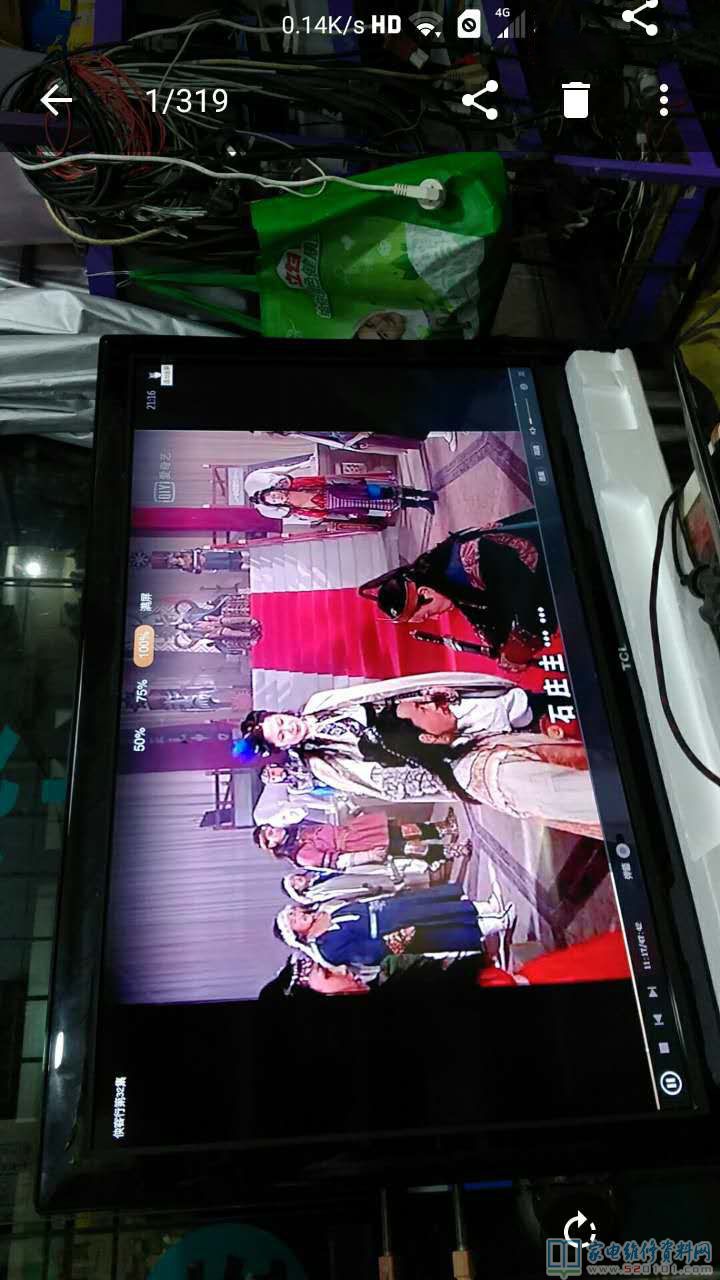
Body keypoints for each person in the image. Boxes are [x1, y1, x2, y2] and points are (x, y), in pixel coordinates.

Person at [239, 671, 601, 837]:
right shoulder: (322, 764)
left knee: (506, 709)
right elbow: (378, 781)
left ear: (281, 713)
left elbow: (384, 693)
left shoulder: (321, 702)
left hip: (428, 714)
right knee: (511, 762)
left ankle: (578, 703)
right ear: (283, 747)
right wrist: (435, 768)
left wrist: (426, 697)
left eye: (281, 722)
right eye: (281, 736)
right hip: (421, 752)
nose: (288, 729)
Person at [359, 512, 557, 670]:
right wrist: (501, 646)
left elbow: (530, 597)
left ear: (425, 593)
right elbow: (483, 617)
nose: (435, 618)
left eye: (427, 613)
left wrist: (519, 648)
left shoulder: (470, 558)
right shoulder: (443, 578)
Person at [274, 881, 517, 973]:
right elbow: (366, 954)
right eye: (293, 920)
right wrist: (396, 939)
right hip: (394, 933)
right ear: (296, 935)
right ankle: (497, 923)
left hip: (394, 910)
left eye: (294, 912)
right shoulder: (327, 948)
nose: (298, 915)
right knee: (443, 933)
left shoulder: (325, 915)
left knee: (440, 909)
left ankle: (487, 907)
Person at [253, 810, 466, 869]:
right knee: (406, 847)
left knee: (403, 831)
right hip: (355, 845)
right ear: (272, 845)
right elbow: (337, 862)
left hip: (353, 831)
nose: (274, 830)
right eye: (269, 834)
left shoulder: (296, 829)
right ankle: (450, 852)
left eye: (270, 827)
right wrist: (368, 855)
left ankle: (443, 828)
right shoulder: (299, 854)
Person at [245, 471, 437, 521]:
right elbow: (322, 515)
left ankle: (421, 494)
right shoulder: (296, 510)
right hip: (344, 506)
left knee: (384, 492)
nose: (276, 497)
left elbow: (323, 479)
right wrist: (345, 515)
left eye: (273, 495)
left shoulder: (297, 484)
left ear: (275, 490)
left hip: (346, 491)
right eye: (273, 500)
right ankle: (420, 505)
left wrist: (347, 481)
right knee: (385, 505)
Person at [130, 548, 249, 574]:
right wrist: (196, 566)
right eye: (171, 563)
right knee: (226, 564)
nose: (173, 561)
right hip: (207, 564)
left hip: (206, 556)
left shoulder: (183, 553)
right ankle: (243, 566)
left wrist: (195, 555)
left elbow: (195, 550)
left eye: (172, 560)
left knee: (226, 556)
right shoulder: (183, 568)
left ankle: (243, 555)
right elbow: (196, 571)